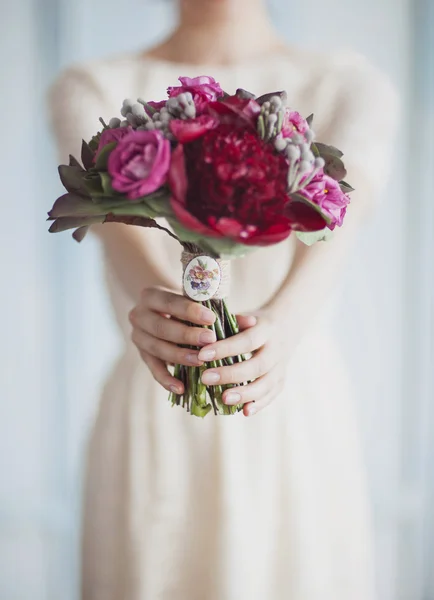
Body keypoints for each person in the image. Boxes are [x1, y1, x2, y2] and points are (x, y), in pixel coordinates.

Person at [50, 0, 398, 598]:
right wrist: (160, 313)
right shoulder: (90, 87)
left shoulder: (350, 83)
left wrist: (284, 326)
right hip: (159, 396)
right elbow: (118, 237)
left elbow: (340, 221)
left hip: (291, 404)